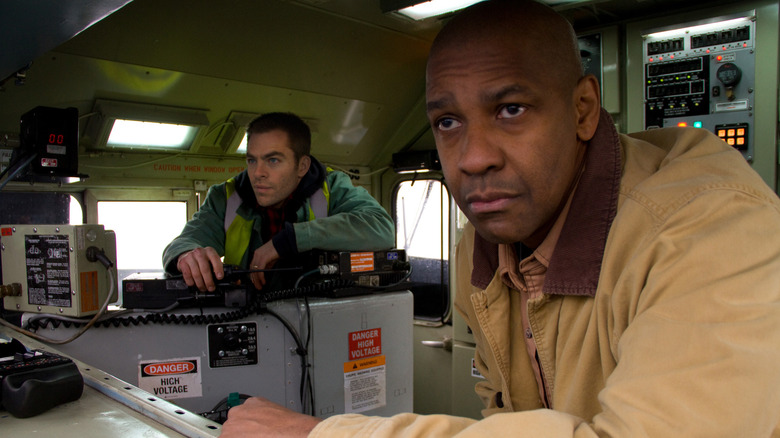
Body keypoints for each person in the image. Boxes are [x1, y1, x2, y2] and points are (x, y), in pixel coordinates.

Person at [220, 1, 780, 436]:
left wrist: (324, 435)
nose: (472, 157)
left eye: (510, 110)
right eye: (447, 121)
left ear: (583, 109)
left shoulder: (714, 230)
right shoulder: (480, 249)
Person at [163, 112, 394, 291]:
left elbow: (381, 228)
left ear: (302, 166)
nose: (258, 173)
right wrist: (186, 255)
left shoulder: (331, 188)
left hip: (318, 319)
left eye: (272, 160)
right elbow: (183, 242)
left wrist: (290, 240)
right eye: (252, 160)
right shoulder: (226, 197)